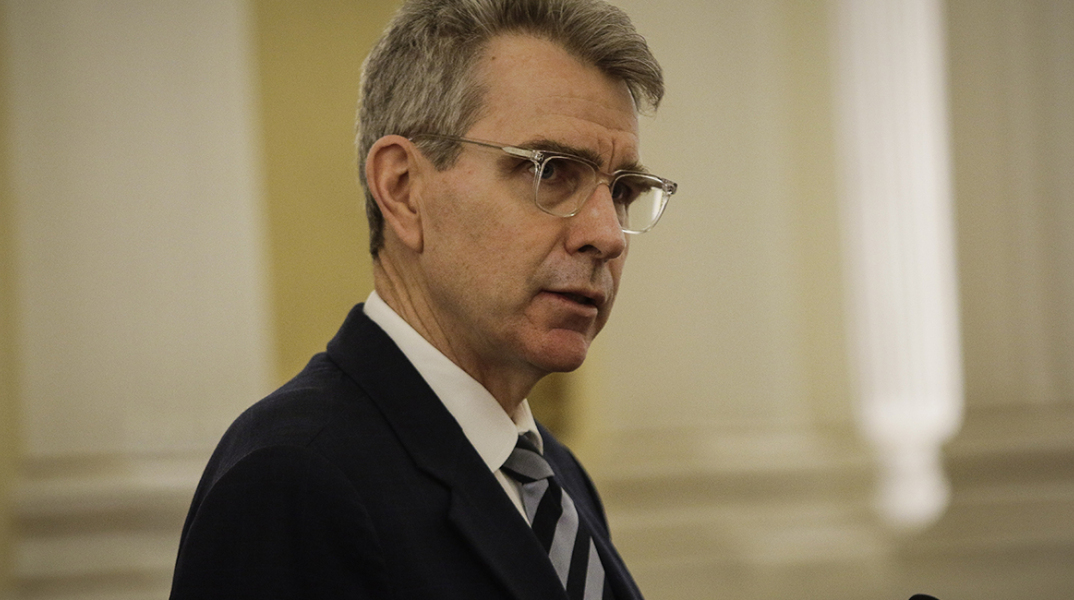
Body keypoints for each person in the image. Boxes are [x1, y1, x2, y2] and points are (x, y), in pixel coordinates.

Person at [169, 0, 676, 598]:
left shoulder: (553, 476)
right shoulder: (294, 477)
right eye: (552, 171)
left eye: (623, 191)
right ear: (404, 189)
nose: (608, 235)